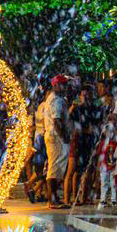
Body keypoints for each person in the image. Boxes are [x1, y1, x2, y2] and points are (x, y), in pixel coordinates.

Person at [42, 77, 71, 209]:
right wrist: (64, 136)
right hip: (56, 137)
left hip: (55, 137)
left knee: (56, 168)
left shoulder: (57, 99)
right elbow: (57, 121)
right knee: (54, 168)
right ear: (55, 85)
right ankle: (52, 200)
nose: (65, 87)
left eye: (65, 84)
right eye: (62, 85)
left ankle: (53, 198)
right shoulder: (56, 100)